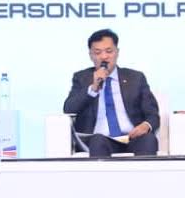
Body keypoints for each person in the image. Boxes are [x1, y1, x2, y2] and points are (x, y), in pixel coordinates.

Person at [63, 28, 159, 157]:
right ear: (91, 55)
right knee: (97, 141)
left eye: (109, 51)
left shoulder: (135, 78)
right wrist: (93, 88)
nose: (104, 56)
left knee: (148, 140)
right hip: (100, 140)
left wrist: (146, 125)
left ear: (117, 52)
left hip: (132, 137)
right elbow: (69, 108)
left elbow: (152, 114)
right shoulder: (81, 78)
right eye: (98, 52)